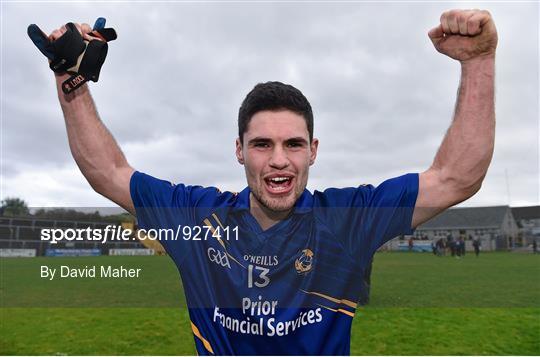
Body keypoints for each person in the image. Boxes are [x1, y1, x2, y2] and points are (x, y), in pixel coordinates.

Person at [38, 9, 497, 356]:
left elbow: (457, 177)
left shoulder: (347, 220)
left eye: (293, 144)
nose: (279, 161)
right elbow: (109, 173)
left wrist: (478, 62)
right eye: (261, 145)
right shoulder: (199, 219)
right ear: (239, 150)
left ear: (313, 150)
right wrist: (70, 80)